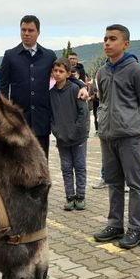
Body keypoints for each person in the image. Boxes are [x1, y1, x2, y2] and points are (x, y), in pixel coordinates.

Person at [92, 24, 140, 249]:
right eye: (105, 38)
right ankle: (114, 225)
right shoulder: (103, 71)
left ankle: (136, 229)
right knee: (114, 182)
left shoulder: (135, 70)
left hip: (129, 136)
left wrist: (138, 128)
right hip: (107, 136)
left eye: (113, 39)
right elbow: (103, 101)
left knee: (135, 184)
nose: (107, 43)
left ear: (125, 44)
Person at [0, 15, 87, 158]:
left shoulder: (49, 55)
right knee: (19, 161)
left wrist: (82, 86)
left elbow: (64, 74)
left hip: (42, 118)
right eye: (23, 30)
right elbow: (2, 87)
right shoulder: (10, 56)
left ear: (38, 32)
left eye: (30, 30)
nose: (26, 33)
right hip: (19, 119)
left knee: (41, 161)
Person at [50, 58, 90, 211]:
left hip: (78, 137)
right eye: (55, 71)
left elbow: (83, 113)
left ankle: (80, 196)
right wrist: (57, 131)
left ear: (68, 73)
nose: (58, 74)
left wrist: (76, 130)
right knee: (66, 168)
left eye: (61, 71)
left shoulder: (75, 89)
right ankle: (69, 196)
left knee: (79, 166)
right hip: (62, 138)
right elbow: (51, 117)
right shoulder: (51, 94)